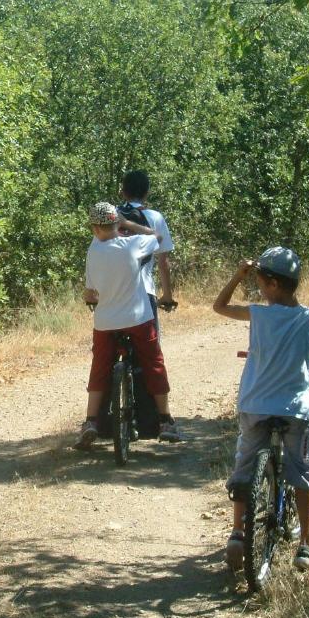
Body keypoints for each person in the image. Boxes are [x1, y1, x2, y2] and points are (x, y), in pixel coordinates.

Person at [212, 246, 309, 572]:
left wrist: (237, 274)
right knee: (302, 469)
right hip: (295, 408)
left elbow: (220, 306)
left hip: (256, 405)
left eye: (258, 280)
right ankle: (305, 546)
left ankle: (237, 535)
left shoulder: (258, 314)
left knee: (245, 466)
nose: (258, 286)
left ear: (271, 284)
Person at [76, 202, 182, 450]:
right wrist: (129, 224)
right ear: (116, 224)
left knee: (100, 367)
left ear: (94, 228)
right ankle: (165, 421)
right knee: (153, 363)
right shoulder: (132, 244)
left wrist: (92, 300)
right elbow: (156, 236)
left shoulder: (93, 251)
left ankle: (91, 421)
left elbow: (90, 293)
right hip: (138, 320)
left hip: (105, 323)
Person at [117, 170, 176, 334]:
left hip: (112, 293)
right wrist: (167, 296)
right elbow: (163, 263)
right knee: (150, 355)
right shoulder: (155, 217)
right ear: (147, 192)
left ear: (123, 192)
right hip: (143, 291)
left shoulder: (111, 216)